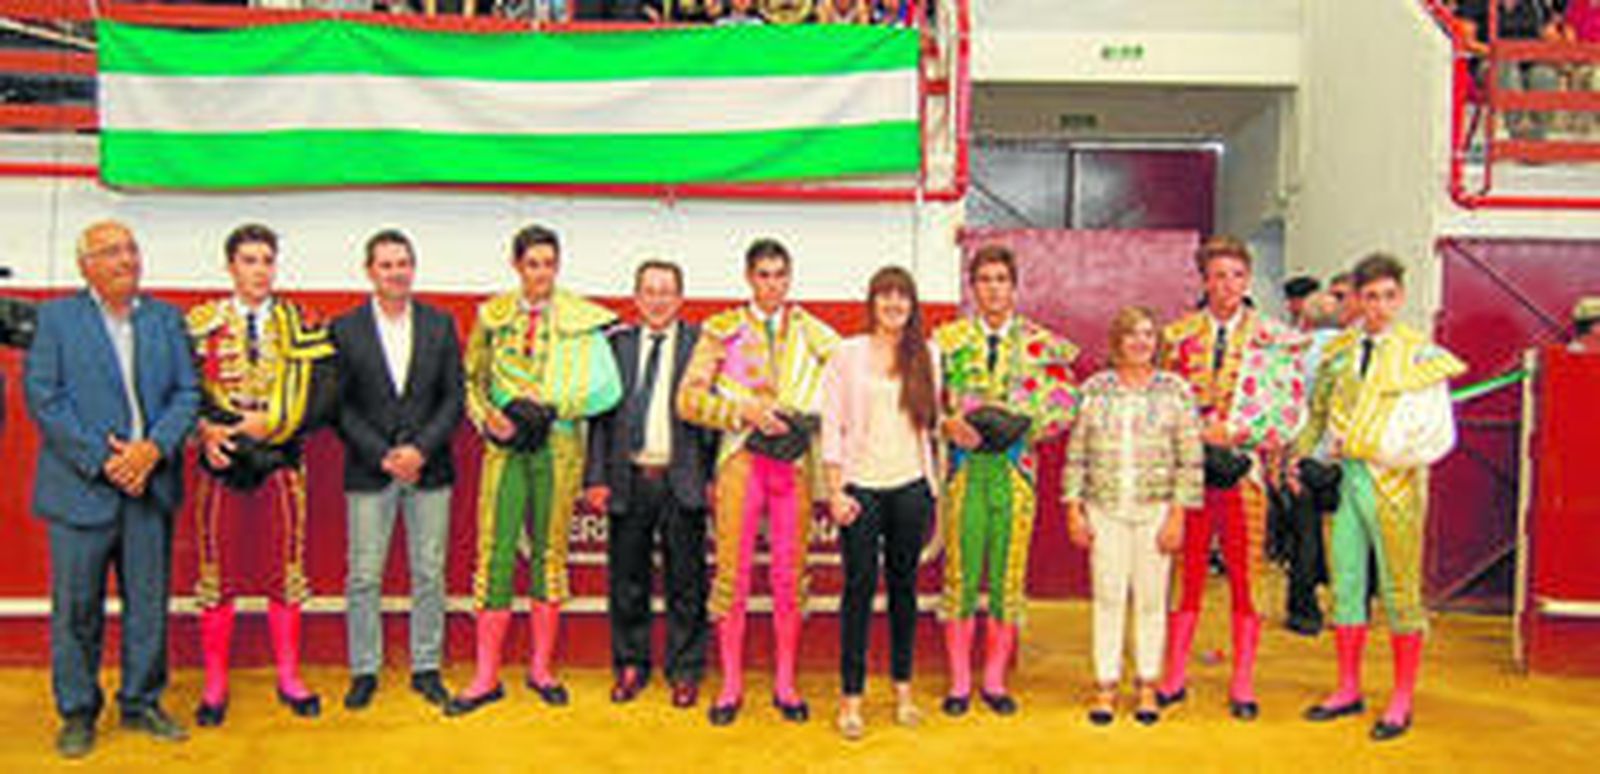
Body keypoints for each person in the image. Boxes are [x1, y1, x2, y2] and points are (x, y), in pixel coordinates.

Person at [25, 221, 199, 758]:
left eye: (130, 249)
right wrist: (105, 461)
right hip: (81, 490)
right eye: (110, 251)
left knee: (148, 603)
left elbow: (188, 393)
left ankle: (142, 701)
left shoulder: (167, 320)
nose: (126, 259)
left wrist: (152, 450)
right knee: (77, 608)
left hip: (150, 485)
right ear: (86, 266)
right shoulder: (55, 319)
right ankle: (77, 711)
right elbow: (45, 399)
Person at [446, 224, 622, 715]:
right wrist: (488, 420)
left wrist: (553, 406)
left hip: (558, 446)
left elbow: (606, 390)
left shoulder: (580, 319)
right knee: (495, 554)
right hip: (504, 450)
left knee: (550, 556)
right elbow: (470, 381)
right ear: (517, 265)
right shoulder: (494, 317)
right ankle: (485, 676)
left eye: (548, 264)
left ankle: (541, 669)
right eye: (532, 264)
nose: (541, 273)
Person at [1296, 253, 1466, 742]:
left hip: (1393, 483)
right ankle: (1348, 687)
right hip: (1347, 480)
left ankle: (1401, 698)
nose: (1380, 306)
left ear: (1402, 297)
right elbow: (1318, 413)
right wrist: (1300, 455)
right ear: (1356, 299)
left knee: (1399, 592)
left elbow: (1438, 434)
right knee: (1345, 584)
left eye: (1389, 296)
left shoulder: (1420, 355)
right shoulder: (1340, 352)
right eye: (1370, 297)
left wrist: (1380, 451)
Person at [677, 238, 840, 726]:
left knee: (790, 576)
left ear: (790, 278)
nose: (772, 284)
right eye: (764, 275)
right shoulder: (722, 331)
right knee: (733, 574)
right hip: (741, 459)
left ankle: (785, 683)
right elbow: (688, 400)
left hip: (792, 462)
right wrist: (742, 410)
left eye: (780, 275)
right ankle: (730, 685)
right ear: (749, 277)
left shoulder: (814, 333)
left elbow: (845, 391)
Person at [187, 223, 336, 726]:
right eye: (249, 260)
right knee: (216, 572)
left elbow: (323, 396)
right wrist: (206, 428)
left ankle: (289, 677)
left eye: (266, 260)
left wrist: (274, 424)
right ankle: (214, 684)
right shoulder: (202, 324)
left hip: (280, 461)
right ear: (230, 266)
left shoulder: (302, 322)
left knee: (285, 570)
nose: (259, 270)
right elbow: (182, 390)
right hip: (223, 460)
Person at [1156, 235, 1306, 721]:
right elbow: (1159, 405)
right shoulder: (1175, 337)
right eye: (1218, 275)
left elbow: (1290, 411)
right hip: (1191, 472)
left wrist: (1242, 430)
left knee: (1245, 575)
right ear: (1203, 280)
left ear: (1247, 280)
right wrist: (1197, 432)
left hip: (1246, 473)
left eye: (1236, 276)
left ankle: (1243, 682)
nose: (1227, 285)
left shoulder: (1275, 339)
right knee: (1188, 573)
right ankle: (1174, 673)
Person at [933, 244, 1079, 717]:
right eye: (985, 280)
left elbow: (1066, 403)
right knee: (960, 576)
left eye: (1001, 279)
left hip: (1016, 471)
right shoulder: (947, 341)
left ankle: (993, 680)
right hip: (965, 470)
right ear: (972, 288)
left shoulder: (1042, 343)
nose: (993, 288)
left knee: (1006, 579)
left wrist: (1025, 425)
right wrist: (945, 423)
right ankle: (959, 681)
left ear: (1014, 288)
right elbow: (923, 400)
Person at [330, 229, 464, 710]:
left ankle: (426, 666)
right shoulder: (344, 329)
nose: (396, 272)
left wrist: (421, 451)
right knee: (364, 575)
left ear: (414, 267)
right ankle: (364, 668)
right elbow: (338, 406)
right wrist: (383, 455)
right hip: (370, 470)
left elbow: (454, 398)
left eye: (403, 262)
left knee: (429, 572)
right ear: (370, 271)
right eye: (386, 264)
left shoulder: (440, 324)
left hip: (430, 469)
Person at [583, 260, 718, 709]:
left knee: (687, 582)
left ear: (680, 299)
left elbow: (715, 419)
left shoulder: (702, 345)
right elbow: (600, 418)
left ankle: (685, 670)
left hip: (683, 478)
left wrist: (714, 476)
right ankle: (630, 665)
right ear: (637, 297)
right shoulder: (615, 347)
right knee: (627, 580)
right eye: (649, 291)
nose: (658, 299)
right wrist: (596, 477)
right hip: (629, 478)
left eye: (667, 291)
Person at [820, 266, 941, 740]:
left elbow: (931, 424)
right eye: (885, 296)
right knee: (857, 590)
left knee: (904, 591)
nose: (893, 304)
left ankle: (903, 690)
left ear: (912, 306)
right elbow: (830, 426)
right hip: (860, 489)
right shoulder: (846, 355)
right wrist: (836, 490)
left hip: (911, 486)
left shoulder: (929, 355)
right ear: (871, 302)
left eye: (902, 297)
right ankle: (851, 700)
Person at [1065, 306, 1201, 727]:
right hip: (1104, 508)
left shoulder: (1175, 390)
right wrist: (1074, 509)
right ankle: (1105, 685)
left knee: (1151, 600)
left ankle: (1146, 684)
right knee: (1107, 597)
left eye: (1148, 334)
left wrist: (1178, 515)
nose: (1141, 342)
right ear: (1117, 342)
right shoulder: (1094, 390)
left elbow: (1190, 458)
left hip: (1156, 508)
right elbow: (1076, 455)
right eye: (1132, 334)